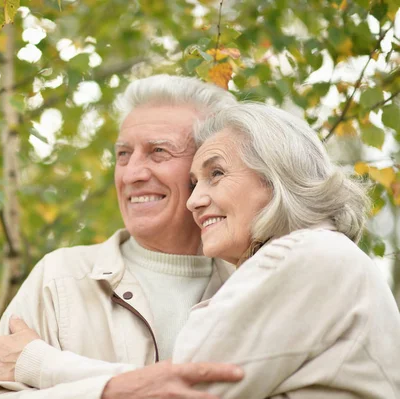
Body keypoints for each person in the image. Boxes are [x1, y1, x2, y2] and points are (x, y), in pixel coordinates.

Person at [0, 75, 244, 399]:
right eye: (123, 154)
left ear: (208, 169)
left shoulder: (249, 287)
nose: (132, 173)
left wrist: (58, 373)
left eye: (158, 152)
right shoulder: (59, 280)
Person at [170, 102, 400, 397]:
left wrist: (96, 384)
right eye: (193, 184)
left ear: (276, 177)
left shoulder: (308, 254)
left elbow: (186, 384)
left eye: (216, 173)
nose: (194, 201)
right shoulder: (322, 254)